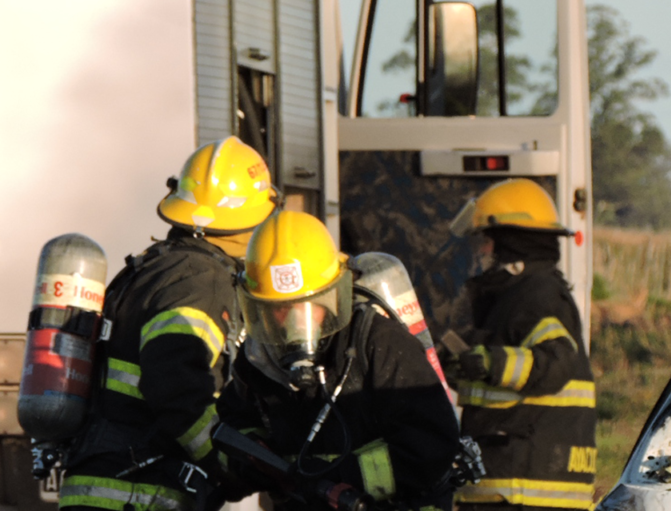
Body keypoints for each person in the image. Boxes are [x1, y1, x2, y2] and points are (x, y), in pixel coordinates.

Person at [59, 136, 277, 510]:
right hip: (140, 492)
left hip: (102, 481)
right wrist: (223, 460)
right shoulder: (202, 279)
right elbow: (175, 384)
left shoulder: (156, 266)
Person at [216, 210, 462, 511]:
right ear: (258, 308)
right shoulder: (258, 358)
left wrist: (339, 476)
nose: (295, 322)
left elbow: (432, 443)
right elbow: (235, 421)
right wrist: (254, 460)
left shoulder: (377, 341)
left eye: (307, 306)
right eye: (278, 309)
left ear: (333, 298)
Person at [447, 178, 597, 511]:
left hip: (526, 488)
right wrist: (462, 360)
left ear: (511, 244)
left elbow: (555, 362)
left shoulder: (537, 296)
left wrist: (490, 363)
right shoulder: (510, 298)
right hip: (508, 487)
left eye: (486, 241)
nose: (480, 251)